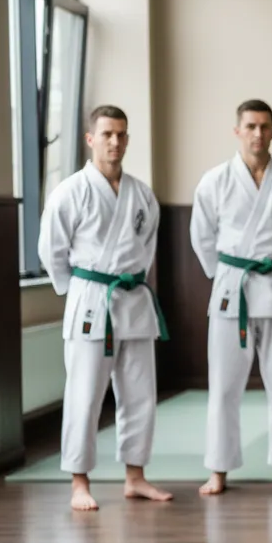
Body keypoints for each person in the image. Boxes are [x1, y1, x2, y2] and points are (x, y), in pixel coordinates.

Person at [38, 105, 173, 511]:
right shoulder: (70, 191)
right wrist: (78, 289)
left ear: (127, 139)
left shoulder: (142, 194)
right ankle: (80, 481)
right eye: (107, 134)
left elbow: (146, 249)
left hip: (133, 302)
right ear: (90, 139)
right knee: (84, 395)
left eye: (121, 134)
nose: (115, 142)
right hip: (91, 302)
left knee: (140, 395)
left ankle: (136, 476)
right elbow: (51, 250)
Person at [190, 99, 272, 495]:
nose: (258, 133)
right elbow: (202, 237)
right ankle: (219, 470)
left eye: (265, 126)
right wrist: (224, 275)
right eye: (250, 126)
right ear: (237, 130)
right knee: (225, 386)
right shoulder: (215, 181)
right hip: (233, 291)